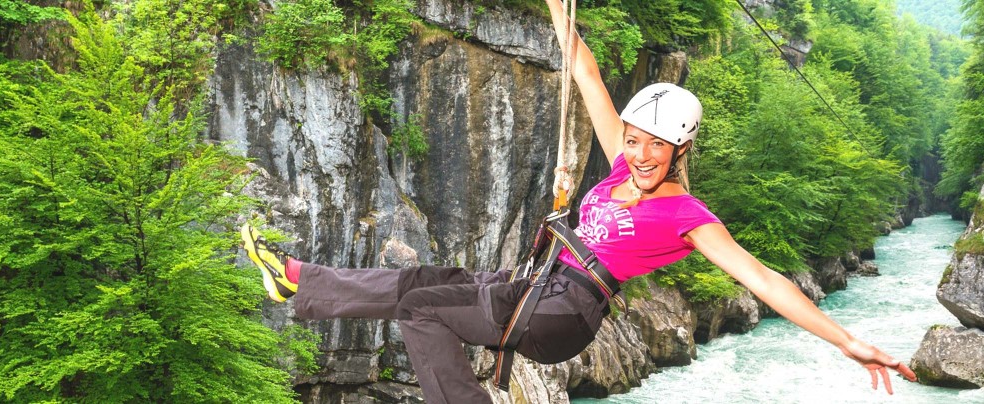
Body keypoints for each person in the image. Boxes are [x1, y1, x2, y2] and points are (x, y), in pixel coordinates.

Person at [241, 1, 918, 402]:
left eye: (658, 147)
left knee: (421, 311)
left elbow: (765, 282)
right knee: (427, 281)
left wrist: (852, 342)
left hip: (564, 313)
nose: (643, 155)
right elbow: (586, 72)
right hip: (532, 287)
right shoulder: (622, 159)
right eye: (634, 139)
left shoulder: (687, 216)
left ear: (681, 152)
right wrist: (559, 10)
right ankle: (300, 281)